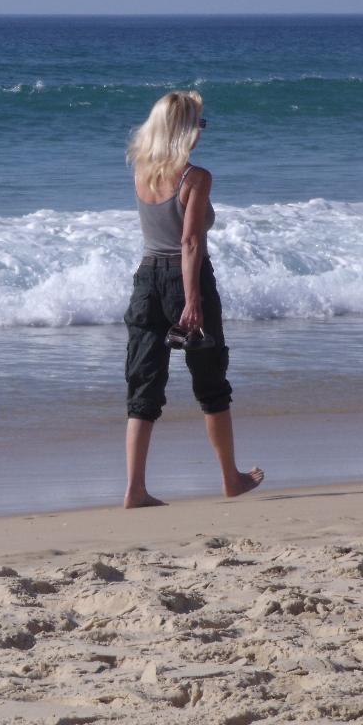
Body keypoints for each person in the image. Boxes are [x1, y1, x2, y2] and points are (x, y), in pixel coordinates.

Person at [122, 90, 263, 508]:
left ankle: (134, 489)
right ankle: (230, 479)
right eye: (199, 123)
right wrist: (192, 299)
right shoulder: (195, 178)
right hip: (187, 279)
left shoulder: (142, 171)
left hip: (146, 279)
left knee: (143, 386)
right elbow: (188, 243)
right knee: (211, 384)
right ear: (184, 130)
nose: (202, 132)